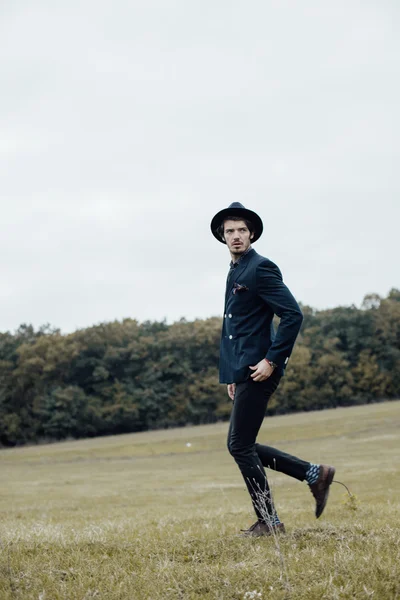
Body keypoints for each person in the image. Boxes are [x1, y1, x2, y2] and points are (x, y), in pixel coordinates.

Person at [210, 202, 335, 537]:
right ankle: (314, 474)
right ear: (222, 237)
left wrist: (273, 360)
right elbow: (234, 328)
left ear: (251, 234)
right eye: (229, 231)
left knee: (239, 445)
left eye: (241, 230)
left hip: (262, 368)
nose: (235, 236)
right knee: (242, 444)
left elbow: (293, 315)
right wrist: (232, 375)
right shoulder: (234, 270)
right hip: (245, 370)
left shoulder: (261, 268)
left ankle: (270, 521)